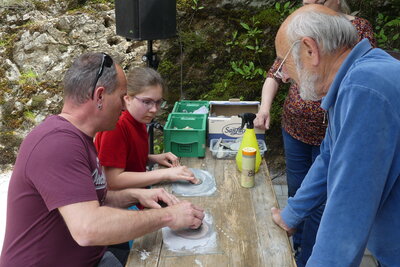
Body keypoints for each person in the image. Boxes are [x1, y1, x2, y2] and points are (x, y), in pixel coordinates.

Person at [0, 53, 204, 267]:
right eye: (121, 97)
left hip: (93, 258)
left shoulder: (80, 139)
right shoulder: (57, 144)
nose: (124, 107)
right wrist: (169, 216)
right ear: (99, 96)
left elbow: (93, 199)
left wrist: (136, 195)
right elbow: (88, 228)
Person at [270, 4, 400, 266]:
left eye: (284, 63)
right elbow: (329, 156)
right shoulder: (358, 77)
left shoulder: (364, 88)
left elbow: (349, 207)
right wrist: (291, 215)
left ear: (310, 50)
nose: (284, 76)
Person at [95, 67, 199, 190]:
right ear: (127, 98)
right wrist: (165, 174)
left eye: (158, 102)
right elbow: (112, 180)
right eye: (146, 102)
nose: (154, 109)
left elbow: (128, 159)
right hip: (119, 201)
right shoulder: (117, 126)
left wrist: (152, 158)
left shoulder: (139, 119)